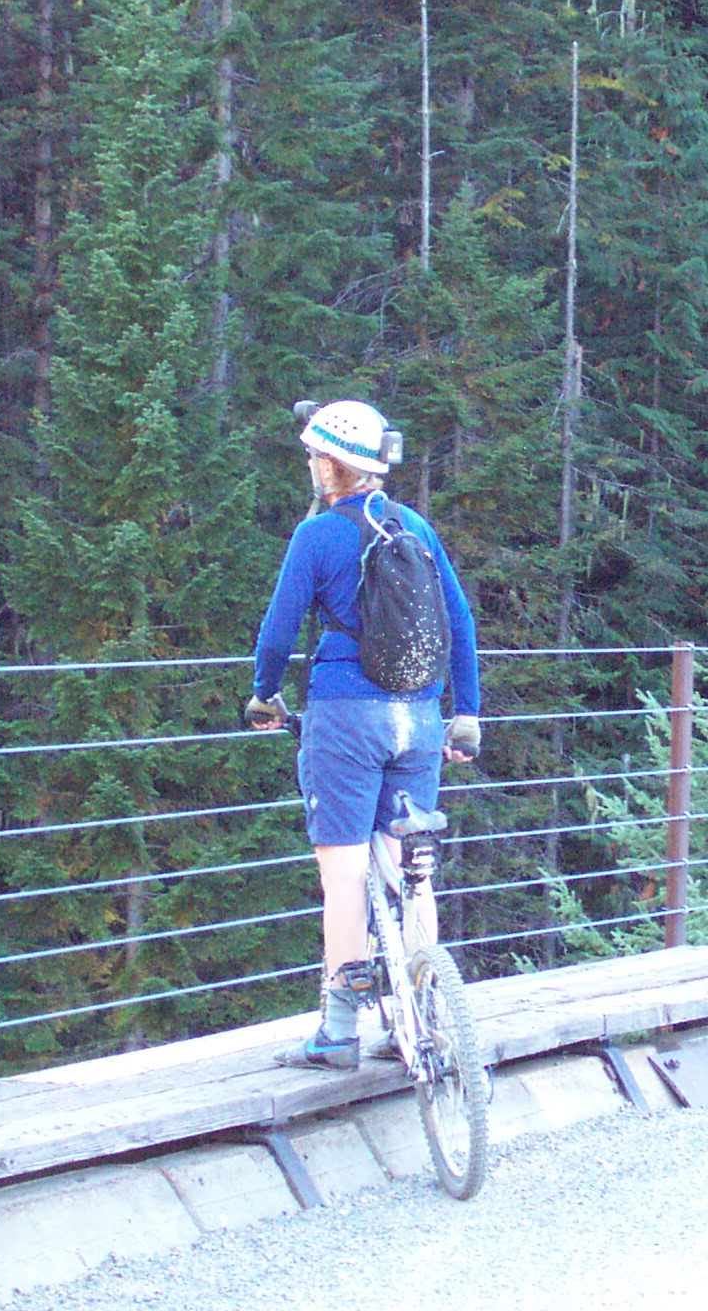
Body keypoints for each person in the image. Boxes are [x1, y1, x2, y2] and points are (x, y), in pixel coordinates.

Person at [246, 399, 481, 1071]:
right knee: (412, 866)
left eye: (314, 456)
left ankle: (339, 1029)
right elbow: (459, 623)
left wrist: (264, 695)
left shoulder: (317, 536)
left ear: (330, 466)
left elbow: (277, 634)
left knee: (344, 869)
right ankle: (425, 1010)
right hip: (420, 718)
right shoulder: (415, 527)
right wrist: (466, 715)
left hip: (346, 717)